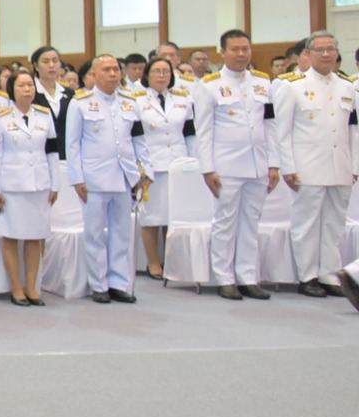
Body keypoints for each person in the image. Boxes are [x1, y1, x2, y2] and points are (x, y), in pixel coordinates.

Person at [192, 30, 277, 300]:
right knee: (225, 223)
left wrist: (274, 164)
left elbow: (270, 126)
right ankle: (225, 278)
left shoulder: (263, 82)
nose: (241, 54)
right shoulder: (209, 85)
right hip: (226, 166)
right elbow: (203, 131)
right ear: (223, 52)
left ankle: (247, 277)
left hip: (258, 165)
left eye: (245, 49)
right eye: (235, 49)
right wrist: (207, 168)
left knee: (251, 222)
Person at [274, 31, 356, 298]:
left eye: (330, 49)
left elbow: (353, 130)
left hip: (340, 166)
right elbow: (282, 131)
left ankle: (329, 275)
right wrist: (287, 167)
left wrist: (354, 166)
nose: (326, 54)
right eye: (319, 50)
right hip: (306, 167)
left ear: (337, 53)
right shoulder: (293, 86)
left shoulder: (347, 86)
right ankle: (307, 276)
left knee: (334, 224)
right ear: (307, 54)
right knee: (307, 224)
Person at [66, 55, 149, 304]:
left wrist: (146, 173)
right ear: (94, 74)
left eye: (115, 69)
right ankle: (98, 284)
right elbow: (72, 144)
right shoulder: (80, 103)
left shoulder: (130, 102)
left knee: (122, 232)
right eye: (106, 69)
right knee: (94, 233)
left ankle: (119, 283)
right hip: (93, 178)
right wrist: (77, 178)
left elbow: (139, 140)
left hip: (124, 175)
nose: (113, 74)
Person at [0, 68, 57, 306]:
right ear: (12, 90)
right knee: (10, 236)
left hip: (39, 184)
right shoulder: (0, 117)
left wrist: (55, 184)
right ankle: (16, 287)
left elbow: (52, 152)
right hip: (11, 185)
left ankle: (31, 287)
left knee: (35, 237)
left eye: (30, 85)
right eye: (21, 85)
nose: (27, 89)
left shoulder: (45, 116)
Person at [137, 58, 192, 280]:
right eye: (156, 71)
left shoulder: (183, 99)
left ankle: (171, 260)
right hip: (151, 164)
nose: (161, 75)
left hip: (178, 164)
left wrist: (193, 163)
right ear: (147, 75)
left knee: (174, 215)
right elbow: (136, 136)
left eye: (166, 72)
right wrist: (141, 167)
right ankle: (153, 262)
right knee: (151, 217)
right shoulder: (137, 100)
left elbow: (190, 133)